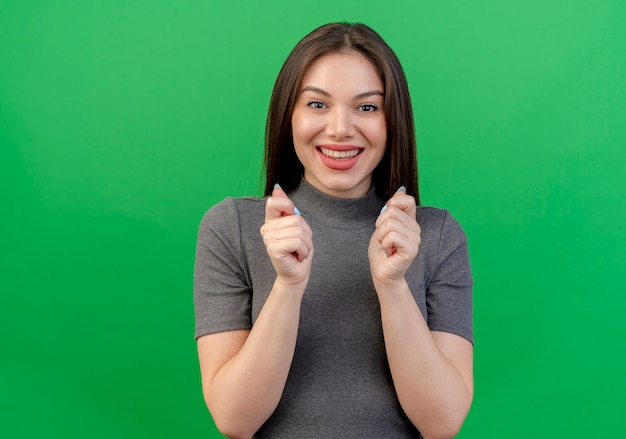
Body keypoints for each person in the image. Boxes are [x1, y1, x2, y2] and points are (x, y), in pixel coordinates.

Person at [194, 22, 473, 439]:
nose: (340, 128)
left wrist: (393, 285)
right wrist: (287, 286)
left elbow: (442, 423)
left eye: (366, 107)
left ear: (391, 121)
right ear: (289, 115)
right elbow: (234, 419)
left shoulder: (435, 236)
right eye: (317, 104)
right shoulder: (232, 228)